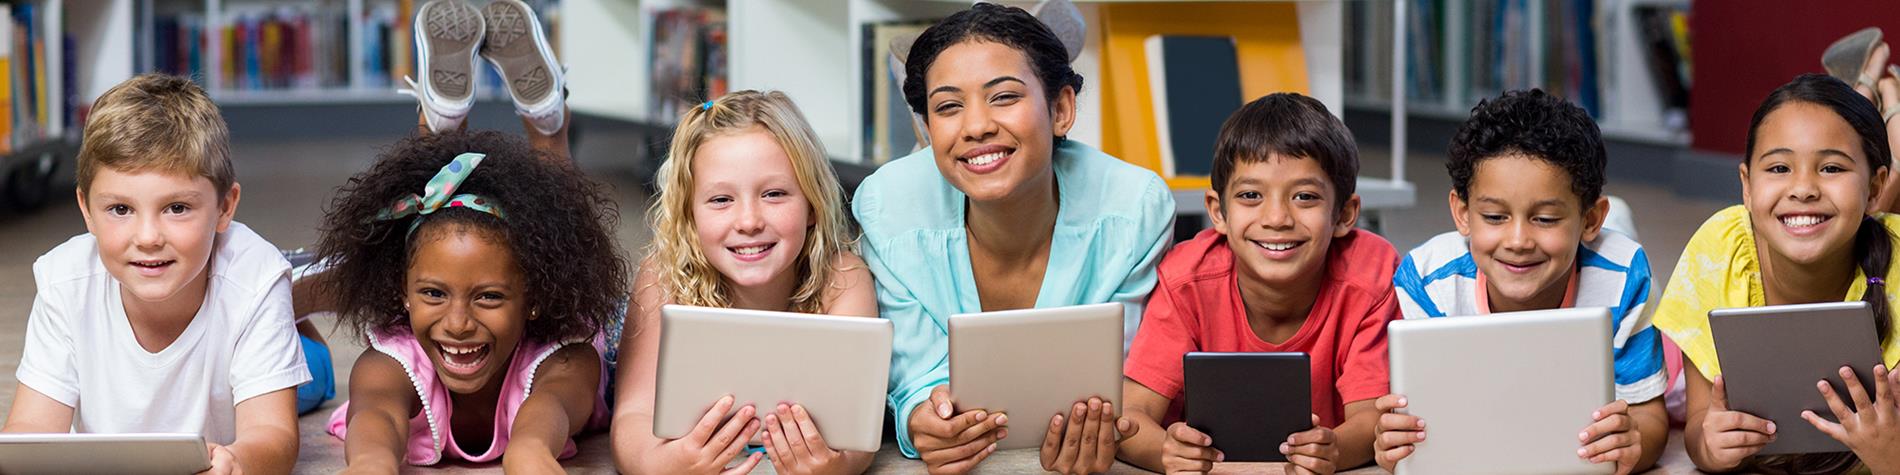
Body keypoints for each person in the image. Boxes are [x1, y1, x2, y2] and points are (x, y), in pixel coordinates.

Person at [851, 3, 1175, 473]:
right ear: (927, 127)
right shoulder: (887, 207)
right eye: (948, 107)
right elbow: (915, 374)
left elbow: (1117, 380)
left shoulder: (1134, 208)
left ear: (1061, 109)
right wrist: (925, 415)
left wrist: (1099, 417)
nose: (977, 125)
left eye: (1003, 97)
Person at [1, 73, 310, 475]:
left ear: (225, 207)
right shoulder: (64, 281)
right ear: (86, 209)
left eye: (177, 208)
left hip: (247, 332)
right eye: (121, 209)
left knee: (310, 376)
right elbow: (31, 428)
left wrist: (238, 460)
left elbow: (274, 435)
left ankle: (301, 319)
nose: (147, 238)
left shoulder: (255, 280)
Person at [1376, 89, 1669, 475]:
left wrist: (1634, 443)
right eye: (1495, 217)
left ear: (1591, 219)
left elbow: (1650, 419)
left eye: (1545, 219)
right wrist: (1390, 440)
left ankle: (1615, 223)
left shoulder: (1623, 275)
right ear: (1462, 213)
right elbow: (1404, 419)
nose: (1518, 241)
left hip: (1603, 266)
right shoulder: (1426, 280)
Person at [1117, 93, 1392, 475]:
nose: (1276, 217)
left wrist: (1335, 451)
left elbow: (1372, 418)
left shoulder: (1370, 278)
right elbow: (1130, 418)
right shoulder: (1187, 281)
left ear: (1344, 214)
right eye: (1250, 195)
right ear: (1218, 212)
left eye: (1305, 197)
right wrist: (1167, 451)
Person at [610, 90, 878, 475]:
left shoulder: (844, 277)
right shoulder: (662, 275)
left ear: (813, 206)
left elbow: (857, 430)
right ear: (690, 216)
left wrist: (838, 467)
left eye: (774, 194)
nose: (749, 221)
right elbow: (633, 416)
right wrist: (658, 465)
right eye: (721, 200)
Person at [1655, 74, 1900, 474]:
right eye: (1780, 167)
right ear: (1747, 187)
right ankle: (1869, 88)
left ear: (1874, 188)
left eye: (1832, 167)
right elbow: (1699, 432)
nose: (1802, 188)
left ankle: (1884, 99)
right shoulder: (1721, 249)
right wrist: (1711, 446)